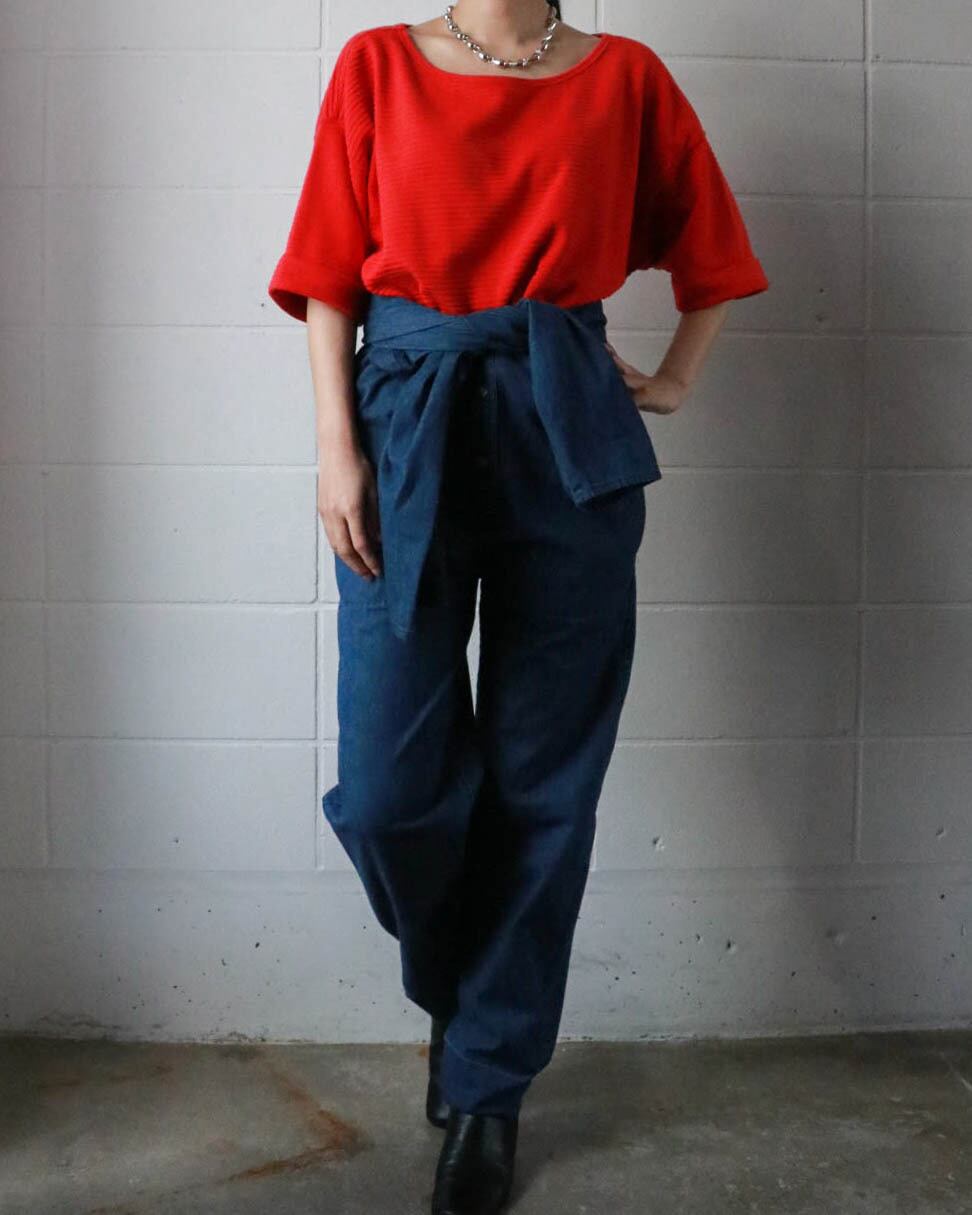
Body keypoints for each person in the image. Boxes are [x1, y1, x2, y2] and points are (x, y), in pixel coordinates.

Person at [267, 4, 769, 1211]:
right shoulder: (377, 66)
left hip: (567, 420)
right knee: (388, 790)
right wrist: (337, 449)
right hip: (407, 417)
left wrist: (677, 377)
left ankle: (488, 1086)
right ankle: (469, 989)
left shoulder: (627, 79)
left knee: (547, 778)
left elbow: (713, 250)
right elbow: (328, 271)